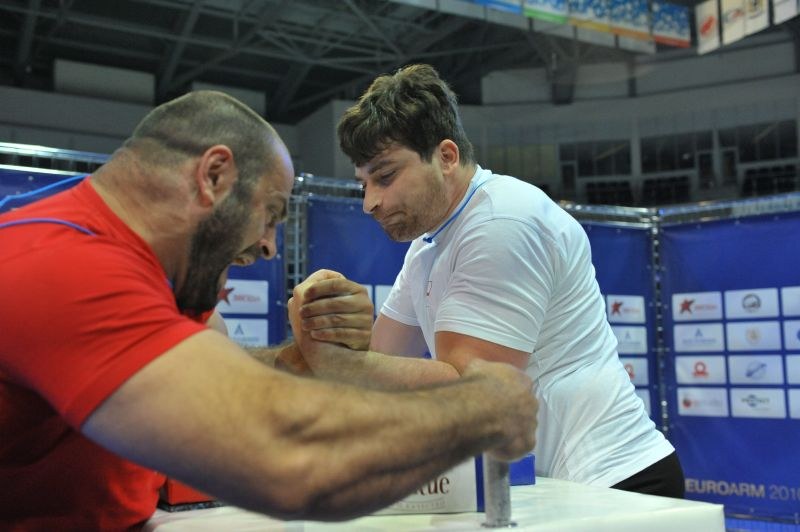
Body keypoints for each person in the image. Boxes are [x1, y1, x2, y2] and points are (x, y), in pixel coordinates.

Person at [0, 90, 538, 530]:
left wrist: (305, 358)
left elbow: (199, 375)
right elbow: (293, 462)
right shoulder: (69, 267)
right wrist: (482, 409)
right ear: (213, 176)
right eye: (271, 214)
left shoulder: (116, 249)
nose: (269, 247)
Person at [294, 63, 684, 498]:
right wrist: (323, 330)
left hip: (615, 483)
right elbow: (378, 363)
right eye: (363, 183)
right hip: (558, 486)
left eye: (385, 177)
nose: (370, 202)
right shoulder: (429, 243)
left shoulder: (503, 221)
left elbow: (472, 389)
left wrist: (338, 362)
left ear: (446, 156)